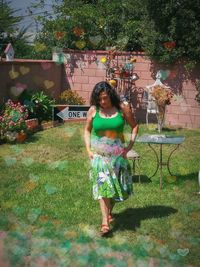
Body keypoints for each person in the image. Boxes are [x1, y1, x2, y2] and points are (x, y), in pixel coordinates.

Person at [84, 81, 138, 236]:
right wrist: (88, 149)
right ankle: (105, 223)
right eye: (99, 99)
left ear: (111, 96)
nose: (102, 102)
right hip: (99, 156)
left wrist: (128, 147)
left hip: (117, 156)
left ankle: (109, 212)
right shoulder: (94, 110)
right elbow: (87, 131)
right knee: (104, 188)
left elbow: (134, 126)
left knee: (117, 188)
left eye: (105, 98)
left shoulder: (122, 108)